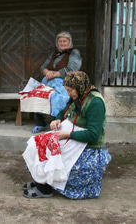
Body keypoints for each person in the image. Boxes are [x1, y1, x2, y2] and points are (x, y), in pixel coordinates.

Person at [22, 71, 111, 199]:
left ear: (79, 86)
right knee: (36, 143)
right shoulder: (78, 96)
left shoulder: (95, 103)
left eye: (70, 91)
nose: (68, 94)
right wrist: (57, 119)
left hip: (87, 145)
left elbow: (93, 135)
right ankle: (40, 179)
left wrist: (67, 134)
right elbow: (64, 111)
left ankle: (45, 188)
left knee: (53, 153)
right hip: (71, 136)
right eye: (67, 91)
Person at [21, 31, 82, 134]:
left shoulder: (74, 53)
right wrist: (47, 72)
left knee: (59, 97)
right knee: (38, 94)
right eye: (60, 41)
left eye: (64, 41)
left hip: (66, 82)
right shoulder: (54, 54)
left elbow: (71, 69)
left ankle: (58, 123)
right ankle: (41, 122)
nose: (62, 43)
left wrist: (53, 74)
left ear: (69, 42)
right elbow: (42, 68)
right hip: (49, 81)